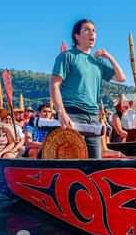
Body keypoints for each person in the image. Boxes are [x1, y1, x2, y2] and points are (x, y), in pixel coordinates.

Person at [50, 19, 126, 159]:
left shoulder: (98, 62)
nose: (92, 33)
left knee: (94, 161)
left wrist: (110, 57)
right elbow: (54, 85)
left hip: (93, 117)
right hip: (72, 114)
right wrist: (61, 113)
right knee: (71, 161)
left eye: (94, 31)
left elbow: (121, 78)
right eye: (87, 29)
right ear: (76, 36)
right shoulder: (67, 56)